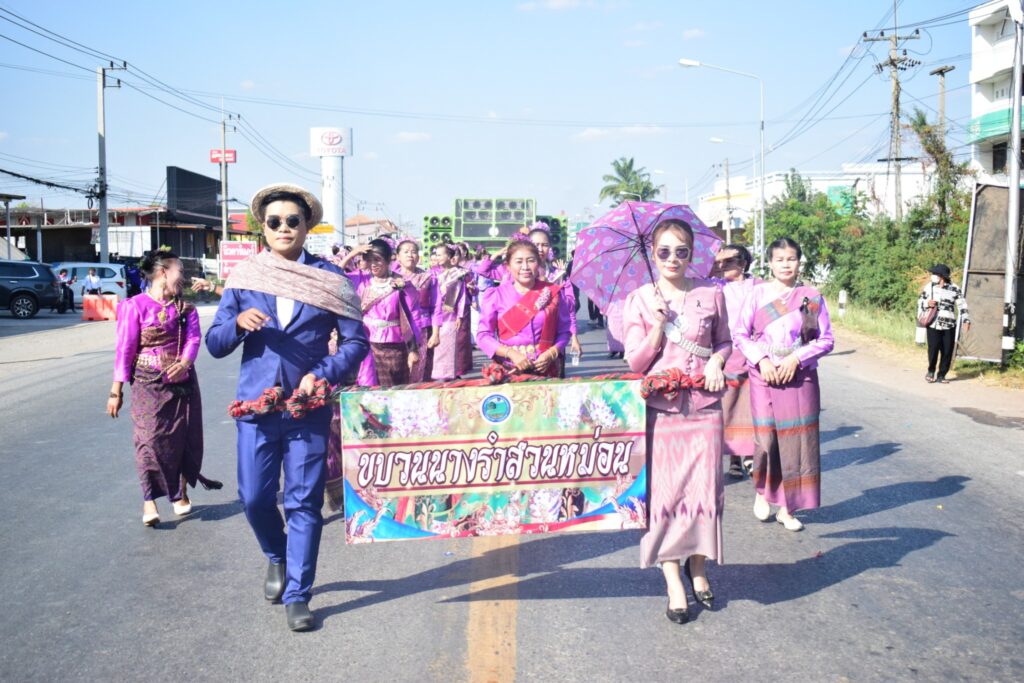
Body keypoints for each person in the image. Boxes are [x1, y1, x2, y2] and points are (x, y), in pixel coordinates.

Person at [206, 183, 368, 632]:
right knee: (254, 497)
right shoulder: (246, 278)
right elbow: (215, 344)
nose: (283, 228)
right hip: (256, 408)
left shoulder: (330, 280)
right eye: (274, 221)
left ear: (306, 226)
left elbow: (356, 342)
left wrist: (323, 372)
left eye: (292, 221)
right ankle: (276, 554)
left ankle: (299, 593)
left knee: (303, 502)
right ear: (263, 227)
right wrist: (238, 324)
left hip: (307, 408)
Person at [622, 218, 730, 625]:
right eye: (664, 251)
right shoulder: (639, 299)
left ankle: (698, 567)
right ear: (653, 254)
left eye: (681, 251)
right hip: (661, 411)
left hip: (704, 407)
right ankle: (673, 581)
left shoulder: (710, 293)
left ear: (691, 254)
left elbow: (724, 340)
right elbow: (636, 363)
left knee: (705, 491)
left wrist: (717, 361)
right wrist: (656, 326)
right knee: (665, 496)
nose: (673, 259)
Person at [108, 250, 220, 526]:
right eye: (179, 271)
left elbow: (193, 339)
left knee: (182, 438)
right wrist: (116, 390)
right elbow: (125, 349)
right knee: (148, 440)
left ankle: (179, 493)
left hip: (182, 384)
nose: (183, 277)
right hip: (147, 384)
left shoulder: (186, 309)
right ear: (162, 273)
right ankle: (150, 500)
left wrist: (184, 363)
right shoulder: (134, 306)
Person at [733, 237, 834, 532]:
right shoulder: (757, 294)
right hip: (763, 374)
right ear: (770, 263)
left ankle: (788, 509)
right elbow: (740, 334)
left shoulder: (810, 297)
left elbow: (826, 339)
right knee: (767, 439)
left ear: (799, 262)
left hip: (799, 376)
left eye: (791, 259)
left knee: (797, 442)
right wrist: (762, 360)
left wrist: (796, 359)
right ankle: (763, 491)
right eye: (780, 259)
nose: (786, 264)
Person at [476, 238, 573, 376]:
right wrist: (511, 354)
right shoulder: (496, 295)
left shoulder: (553, 292)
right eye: (519, 261)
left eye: (531, 260)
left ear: (538, 263)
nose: (525, 267)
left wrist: (551, 353)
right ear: (508, 266)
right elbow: (483, 335)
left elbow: (564, 331)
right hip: (509, 369)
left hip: (546, 368)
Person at [340, 239, 421, 387]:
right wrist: (352, 254)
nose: (373, 264)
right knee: (369, 388)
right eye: (369, 260)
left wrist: (413, 349)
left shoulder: (401, 283)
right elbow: (335, 275)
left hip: (395, 347)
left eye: (377, 259)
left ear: (388, 259)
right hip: (367, 344)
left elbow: (412, 317)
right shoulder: (361, 279)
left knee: (393, 390)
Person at [710, 244, 759, 479]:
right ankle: (734, 458)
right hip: (727, 353)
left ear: (743, 263)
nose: (722, 266)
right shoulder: (715, 287)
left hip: (754, 353)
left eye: (728, 261)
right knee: (728, 407)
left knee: (751, 407)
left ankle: (750, 453)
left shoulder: (759, 286)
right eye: (719, 262)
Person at [917, 263, 970, 384]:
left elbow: (962, 305)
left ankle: (942, 375)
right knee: (933, 349)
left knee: (947, 351)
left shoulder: (954, 288)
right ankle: (931, 371)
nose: (933, 276)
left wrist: (966, 320)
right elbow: (920, 301)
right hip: (933, 323)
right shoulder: (929, 287)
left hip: (949, 324)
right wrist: (927, 303)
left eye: (935, 274)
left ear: (942, 276)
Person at [393, 239, 436, 382]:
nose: (410, 255)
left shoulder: (428, 277)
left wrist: (436, 333)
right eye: (405, 252)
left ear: (418, 256)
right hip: (397, 329)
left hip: (423, 329)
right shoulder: (391, 278)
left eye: (413, 252)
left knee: (421, 370)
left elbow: (436, 307)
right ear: (398, 256)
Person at [428, 244, 473, 380]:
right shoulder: (432, 274)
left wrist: (459, 315)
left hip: (449, 315)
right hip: (433, 315)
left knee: (448, 347)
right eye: (436, 254)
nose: (437, 257)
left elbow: (461, 297)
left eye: (440, 254)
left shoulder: (458, 274)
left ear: (449, 256)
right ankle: (433, 376)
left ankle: (448, 377)